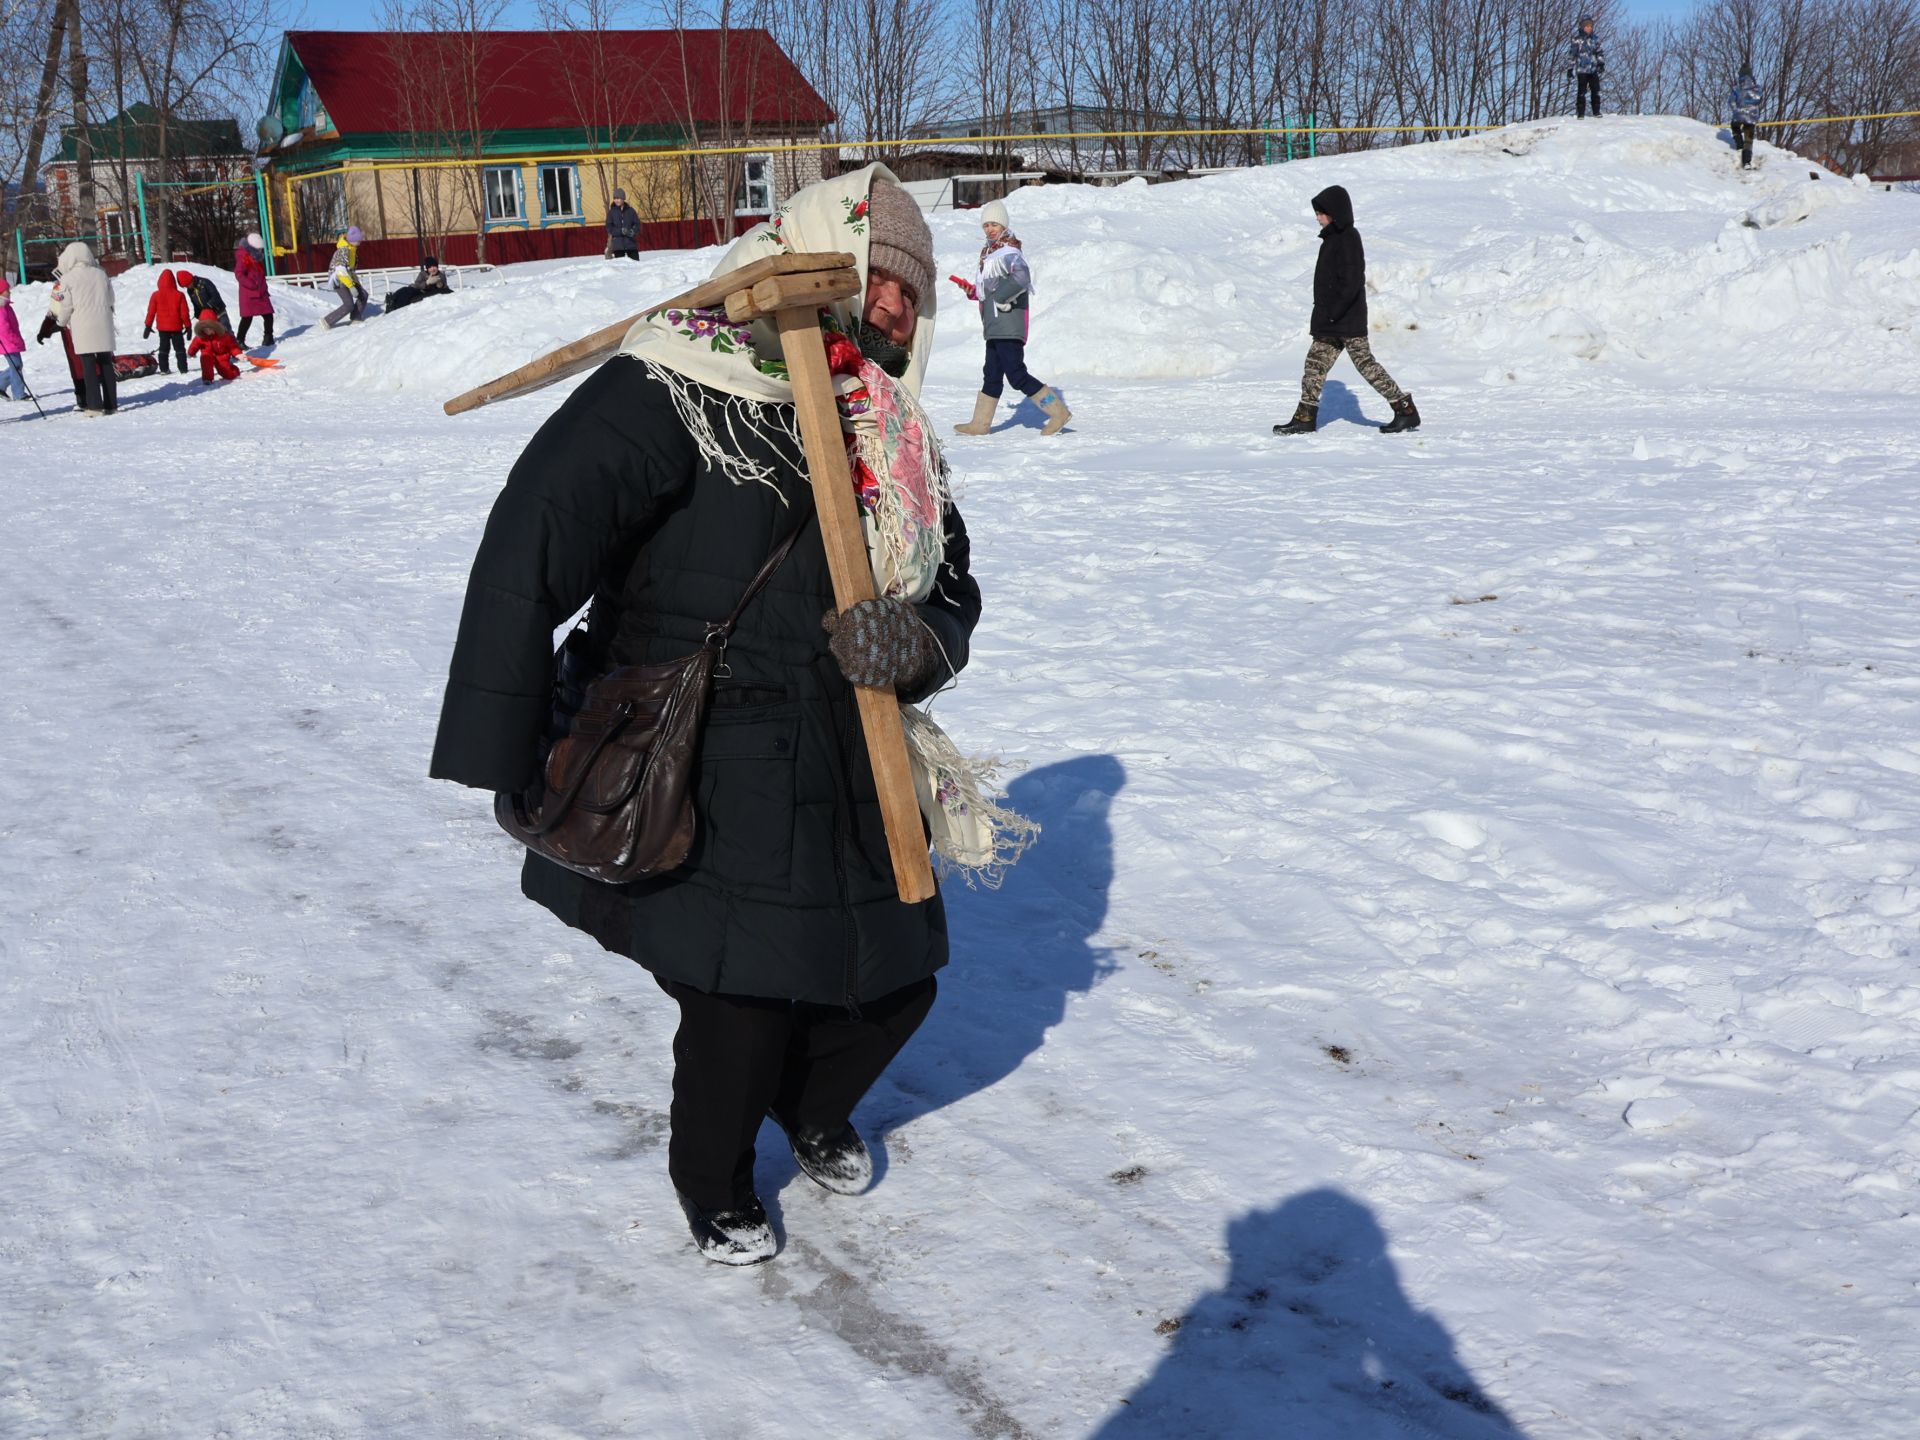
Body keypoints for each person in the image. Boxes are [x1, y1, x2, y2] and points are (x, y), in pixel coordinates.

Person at [431, 166, 1015, 1268]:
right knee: (740, 999)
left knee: (899, 979)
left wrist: (919, 644)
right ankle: (713, 1183)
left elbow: (955, 590)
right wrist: (502, 736)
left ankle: (807, 1106)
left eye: (912, 292)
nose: (896, 308)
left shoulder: (896, 435)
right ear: (813, 256)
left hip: (857, 749)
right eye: (878, 279)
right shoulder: (681, 381)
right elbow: (536, 531)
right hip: (713, 744)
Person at [1274, 186, 1420, 436]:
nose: (1318, 217)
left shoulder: (1348, 238)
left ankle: (1405, 410)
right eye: (1317, 213)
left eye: (1321, 213)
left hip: (1345, 319)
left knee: (1365, 364)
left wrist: (1334, 312)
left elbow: (1351, 281)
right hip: (1330, 321)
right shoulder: (1331, 239)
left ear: (1335, 213)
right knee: (1314, 366)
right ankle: (1305, 418)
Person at [950, 199, 1070, 437]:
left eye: (994, 224)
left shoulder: (1009, 252)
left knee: (1016, 375)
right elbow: (990, 291)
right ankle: (980, 424)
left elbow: (1022, 277)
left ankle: (1058, 412)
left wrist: (1002, 299)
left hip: (1009, 324)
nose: (990, 229)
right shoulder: (989, 254)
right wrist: (973, 291)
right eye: (986, 225)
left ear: (1004, 225)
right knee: (991, 374)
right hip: (994, 325)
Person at [47, 242, 116, 415]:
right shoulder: (101, 274)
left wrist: (60, 323)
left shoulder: (68, 279)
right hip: (103, 323)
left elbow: (66, 306)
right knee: (106, 363)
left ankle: (94, 406)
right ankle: (111, 404)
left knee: (89, 365)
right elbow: (111, 299)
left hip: (83, 325)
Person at [142, 270, 191, 373]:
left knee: (163, 348)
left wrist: (148, 326)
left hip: (162, 328)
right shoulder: (179, 295)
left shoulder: (155, 295)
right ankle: (183, 369)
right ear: (173, 281)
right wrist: (188, 326)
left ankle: (164, 369)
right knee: (179, 349)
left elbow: (151, 312)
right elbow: (184, 313)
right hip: (176, 327)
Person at [234, 233, 276, 347]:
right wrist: (251, 285)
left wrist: (263, 288)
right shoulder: (244, 257)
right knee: (247, 318)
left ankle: (268, 337)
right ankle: (240, 341)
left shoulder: (256, 257)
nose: (260, 251)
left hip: (261, 293)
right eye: (259, 248)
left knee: (268, 315)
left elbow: (260, 275)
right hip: (249, 294)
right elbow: (239, 274)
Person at [323, 226, 366, 329]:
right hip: (339, 281)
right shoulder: (343, 251)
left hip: (348, 279)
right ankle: (327, 321)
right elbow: (340, 271)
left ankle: (356, 317)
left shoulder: (352, 250)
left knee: (363, 295)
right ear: (352, 240)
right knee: (349, 305)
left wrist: (355, 282)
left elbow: (350, 269)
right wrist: (351, 287)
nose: (360, 242)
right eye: (358, 240)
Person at [188, 307, 242, 385]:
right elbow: (194, 345)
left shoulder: (223, 336)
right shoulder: (200, 337)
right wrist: (191, 353)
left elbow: (232, 346)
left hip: (221, 356)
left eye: (209, 329)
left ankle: (234, 371)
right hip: (208, 354)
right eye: (205, 329)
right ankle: (207, 378)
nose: (207, 331)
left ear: (215, 327)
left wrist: (238, 353)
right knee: (205, 359)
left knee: (228, 374)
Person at [385, 254, 452, 312]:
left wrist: (439, 285)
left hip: (422, 292)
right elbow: (417, 284)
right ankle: (392, 299)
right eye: (430, 267)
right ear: (427, 268)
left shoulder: (440, 275)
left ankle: (395, 307)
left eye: (434, 266)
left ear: (437, 267)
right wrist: (427, 282)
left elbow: (443, 286)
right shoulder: (423, 274)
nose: (433, 269)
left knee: (408, 294)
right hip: (417, 288)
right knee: (405, 289)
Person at [1569, 15, 1604, 118]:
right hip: (1582, 70)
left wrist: (1601, 63)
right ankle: (1580, 112)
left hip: (1593, 69)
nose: (1589, 28)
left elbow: (1599, 52)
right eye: (1587, 26)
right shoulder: (1577, 40)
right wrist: (1570, 69)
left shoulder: (1595, 39)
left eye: (1590, 26)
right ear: (1582, 27)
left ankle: (1596, 111)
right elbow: (1572, 55)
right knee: (1581, 91)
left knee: (1596, 90)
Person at [0, 274, 26, 402]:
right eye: (7, 290)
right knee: (16, 365)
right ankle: (19, 393)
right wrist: (13, 339)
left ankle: (1, 385)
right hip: (7, 342)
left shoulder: (6, 306)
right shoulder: (1, 308)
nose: (9, 292)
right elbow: (3, 328)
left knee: (16, 365)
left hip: (11, 341)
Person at [1730, 66, 1762, 169]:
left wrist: (1736, 109)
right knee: (1749, 139)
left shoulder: (1737, 88)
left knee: (1735, 126)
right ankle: (1747, 162)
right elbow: (1759, 100)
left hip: (1739, 114)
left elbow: (1731, 101)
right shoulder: (1757, 88)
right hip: (1752, 116)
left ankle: (1739, 144)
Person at [606, 188, 641, 260]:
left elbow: (637, 224)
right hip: (618, 246)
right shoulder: (611, 212)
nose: (616, 200)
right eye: (615, 198)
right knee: (621, 267)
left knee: (636, 265)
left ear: (623, 198)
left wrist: (633, 231)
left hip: (631, 244)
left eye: (618, 198)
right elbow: (609, 227)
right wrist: (620, 231)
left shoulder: (631, 211)